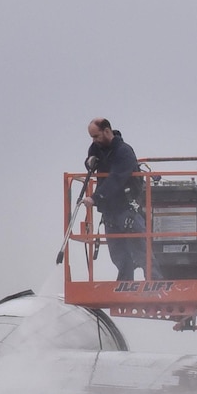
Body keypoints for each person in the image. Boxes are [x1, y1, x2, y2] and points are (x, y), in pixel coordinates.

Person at [84, 118, 145, 281]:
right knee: (118, 253)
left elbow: (116, 179)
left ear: (107, 131)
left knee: (142, 250)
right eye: (92, 137)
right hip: (110, 210)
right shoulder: (97, 148)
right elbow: (91, 160)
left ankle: (156, 283)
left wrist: (96, 197)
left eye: (96, 136)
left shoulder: (124, 152)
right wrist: (89, 161)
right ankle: (125, 284)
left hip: (127, 208)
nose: (94, 140)